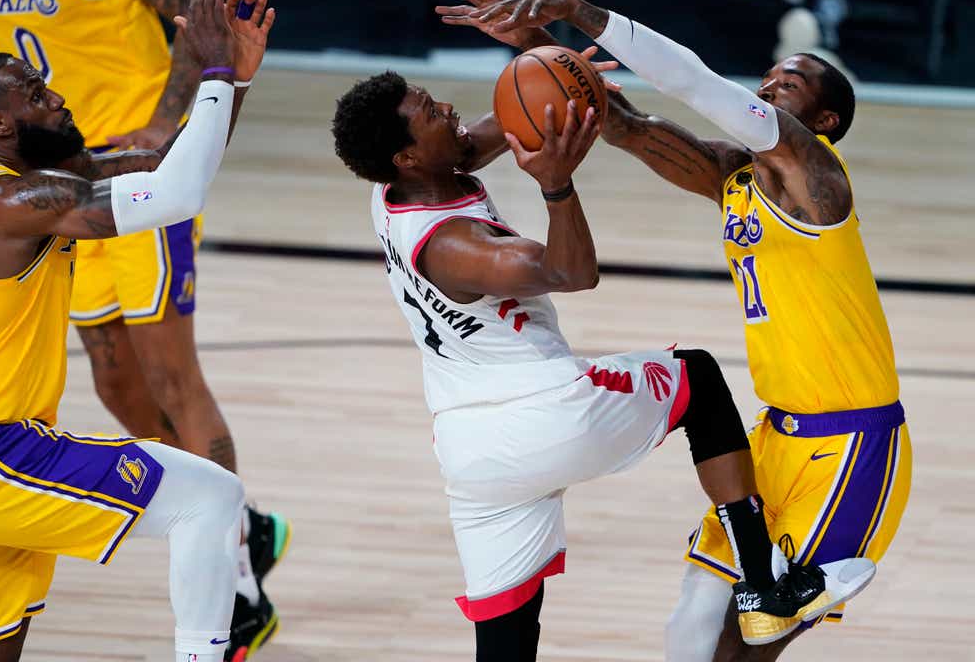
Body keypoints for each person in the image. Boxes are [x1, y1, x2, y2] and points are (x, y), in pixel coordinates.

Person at [331, 58, 874, 658]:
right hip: (545, 413)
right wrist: (556, 185)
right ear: (408, 156)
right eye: (431, 113)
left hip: (471, 455)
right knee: (696, 378)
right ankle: (763, 585)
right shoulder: (454, 245)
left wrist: (555, 71)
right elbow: (571, 272)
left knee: (507, 639)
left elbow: (499, 127)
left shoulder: (395, 185)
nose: (449, 110)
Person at [439, 0, 911, 661]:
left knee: (749, 639)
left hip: (851, 443)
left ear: (826, 122)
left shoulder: (822, 182)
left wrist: (578, 12)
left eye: (791, 83)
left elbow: (694, 84)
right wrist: (537, 48)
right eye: (769, 76)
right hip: (774, 435)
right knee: (690, 627)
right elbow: (627, 126)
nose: (770, 85)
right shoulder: (733, 177)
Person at [0, 0, 273, 662]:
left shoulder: (19, 190)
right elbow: (178, 194)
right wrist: (213, 69)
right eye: (36, 94)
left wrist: (235, 82)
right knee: (210, 500)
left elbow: (168, 166)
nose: (57, 97)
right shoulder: (18, 201)